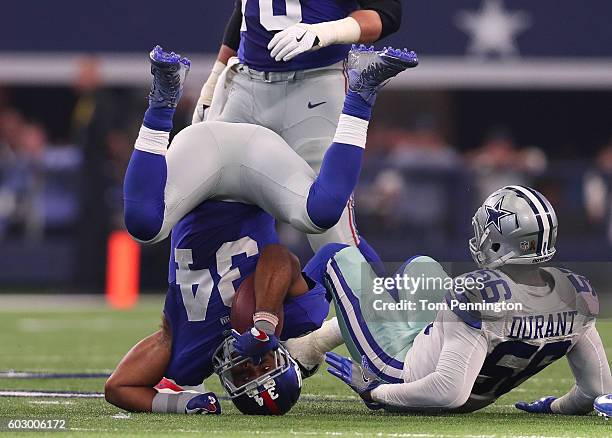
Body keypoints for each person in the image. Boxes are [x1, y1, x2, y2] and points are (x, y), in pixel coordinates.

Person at [106, 44, 415, 415]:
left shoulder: (188, 359)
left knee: (144, 225)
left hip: (200, 167)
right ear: (282, 357)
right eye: (263, 366)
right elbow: (285, 256)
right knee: (321, 216)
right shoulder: (299, 320)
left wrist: (180, 403)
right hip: (256, 165)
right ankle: (361, 96)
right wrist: (266, 322)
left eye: (245, 377)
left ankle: (162, 101)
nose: (249, 365)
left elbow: (119, 387)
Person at [300, 185, 611, 414]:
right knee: (424, 267)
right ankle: (347, 325)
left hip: (403, 372)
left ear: (503, 243)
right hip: (456, 366)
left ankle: (298, 347)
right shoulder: (575, 294)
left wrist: (378, 392)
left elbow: (447, 392)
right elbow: (596, 391)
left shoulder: (479, 295)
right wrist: (554, 407)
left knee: (334, 257)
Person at [192, 0, 402, 260]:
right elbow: (244, 11)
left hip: (316, 85)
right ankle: (223, 298)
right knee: (212, 214)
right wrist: (214, 79)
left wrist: (324, 32)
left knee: (332, 234)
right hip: (246, 87)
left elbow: (387, 14)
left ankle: (374, 301)